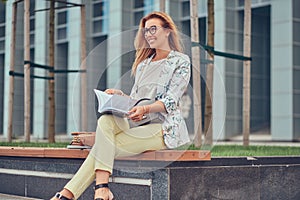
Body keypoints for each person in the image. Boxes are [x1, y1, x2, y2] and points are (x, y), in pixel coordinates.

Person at [51, 11, 191, 200]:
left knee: (104, 145)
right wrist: (120, 96)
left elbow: (171, 100)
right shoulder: (143, 65)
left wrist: (146, 109)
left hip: (163, 129)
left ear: (167, 31)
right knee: (107, 120)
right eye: (146, 31)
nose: (148, 34)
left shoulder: (180, 61)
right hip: (135, 123)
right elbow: (136, 99)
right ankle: (101, 189)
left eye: (153, 29)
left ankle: (73, 194)